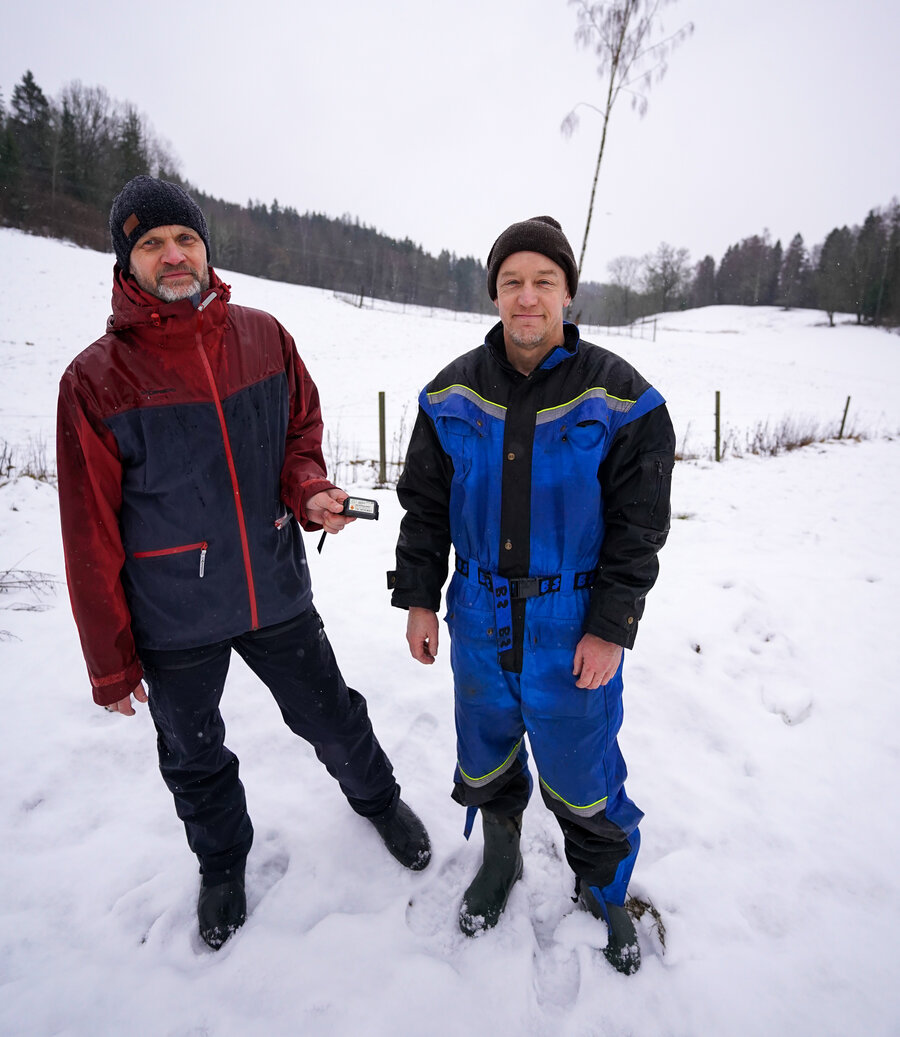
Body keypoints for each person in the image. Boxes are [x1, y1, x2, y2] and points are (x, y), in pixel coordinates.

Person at [57, 176, 431, 951]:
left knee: (331, 712)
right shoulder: (95, 380)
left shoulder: (264, 337)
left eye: (185, 239)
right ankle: (223, 862)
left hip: (274, 585)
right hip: (173, 614)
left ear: (206, 247)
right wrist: (110, 663)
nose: (173, 255)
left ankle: (380, 800)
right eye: (151, 243)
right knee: (193, 753)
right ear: (126, 262)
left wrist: (310, 492)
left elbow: (300, 440)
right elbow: (88, 533)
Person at [388, 216, 673, 974]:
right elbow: (424, 506)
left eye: (543, 281)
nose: (526, 296)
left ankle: (605, 889)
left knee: (583, 775)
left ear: (568, 294)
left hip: (570, 619)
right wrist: (419, 597)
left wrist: (611, 625)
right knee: (483, 755)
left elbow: (638, 528)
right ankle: (501, 854)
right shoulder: (449, 392)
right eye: (511, 281)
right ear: (494, 294)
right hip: (478, 613)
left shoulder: (622, 399)